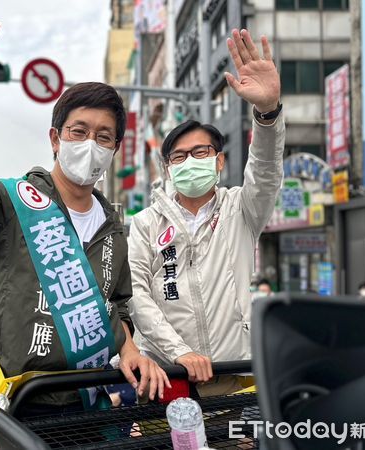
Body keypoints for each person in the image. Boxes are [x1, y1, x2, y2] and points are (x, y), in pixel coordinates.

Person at [0, 22, 168, 412]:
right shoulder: (13, 202)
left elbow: (118, 305)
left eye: (104, 137)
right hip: (16, 404)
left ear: (114, 149)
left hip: (87, 400)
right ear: (55, 140)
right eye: (79, 131)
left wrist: (128, 348)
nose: (91, 144)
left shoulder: (112, 228)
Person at [128, 28, 284, 396]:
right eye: (179, 157)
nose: (189, 162)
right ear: (168, 168)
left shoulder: (242, 210)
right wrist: (180, 353)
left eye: (200, 153)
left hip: (237, 375)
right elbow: (136, 294)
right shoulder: (146, 223)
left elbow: (265, 168)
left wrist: (267, 113)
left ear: (219, 161)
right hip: (167, 380)